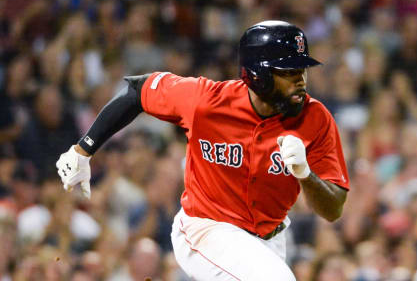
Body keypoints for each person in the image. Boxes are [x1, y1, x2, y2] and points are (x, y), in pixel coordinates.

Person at [56, 20, 350, 280]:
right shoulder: (206, 101)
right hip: (206, 228)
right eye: (288, 71)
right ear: (257, 75)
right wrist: (83, 150)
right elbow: (138, 91)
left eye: (302, 69)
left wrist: (305, 174)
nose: (300, 79)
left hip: (270, 239)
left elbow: (334, 209)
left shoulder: (315, 118)